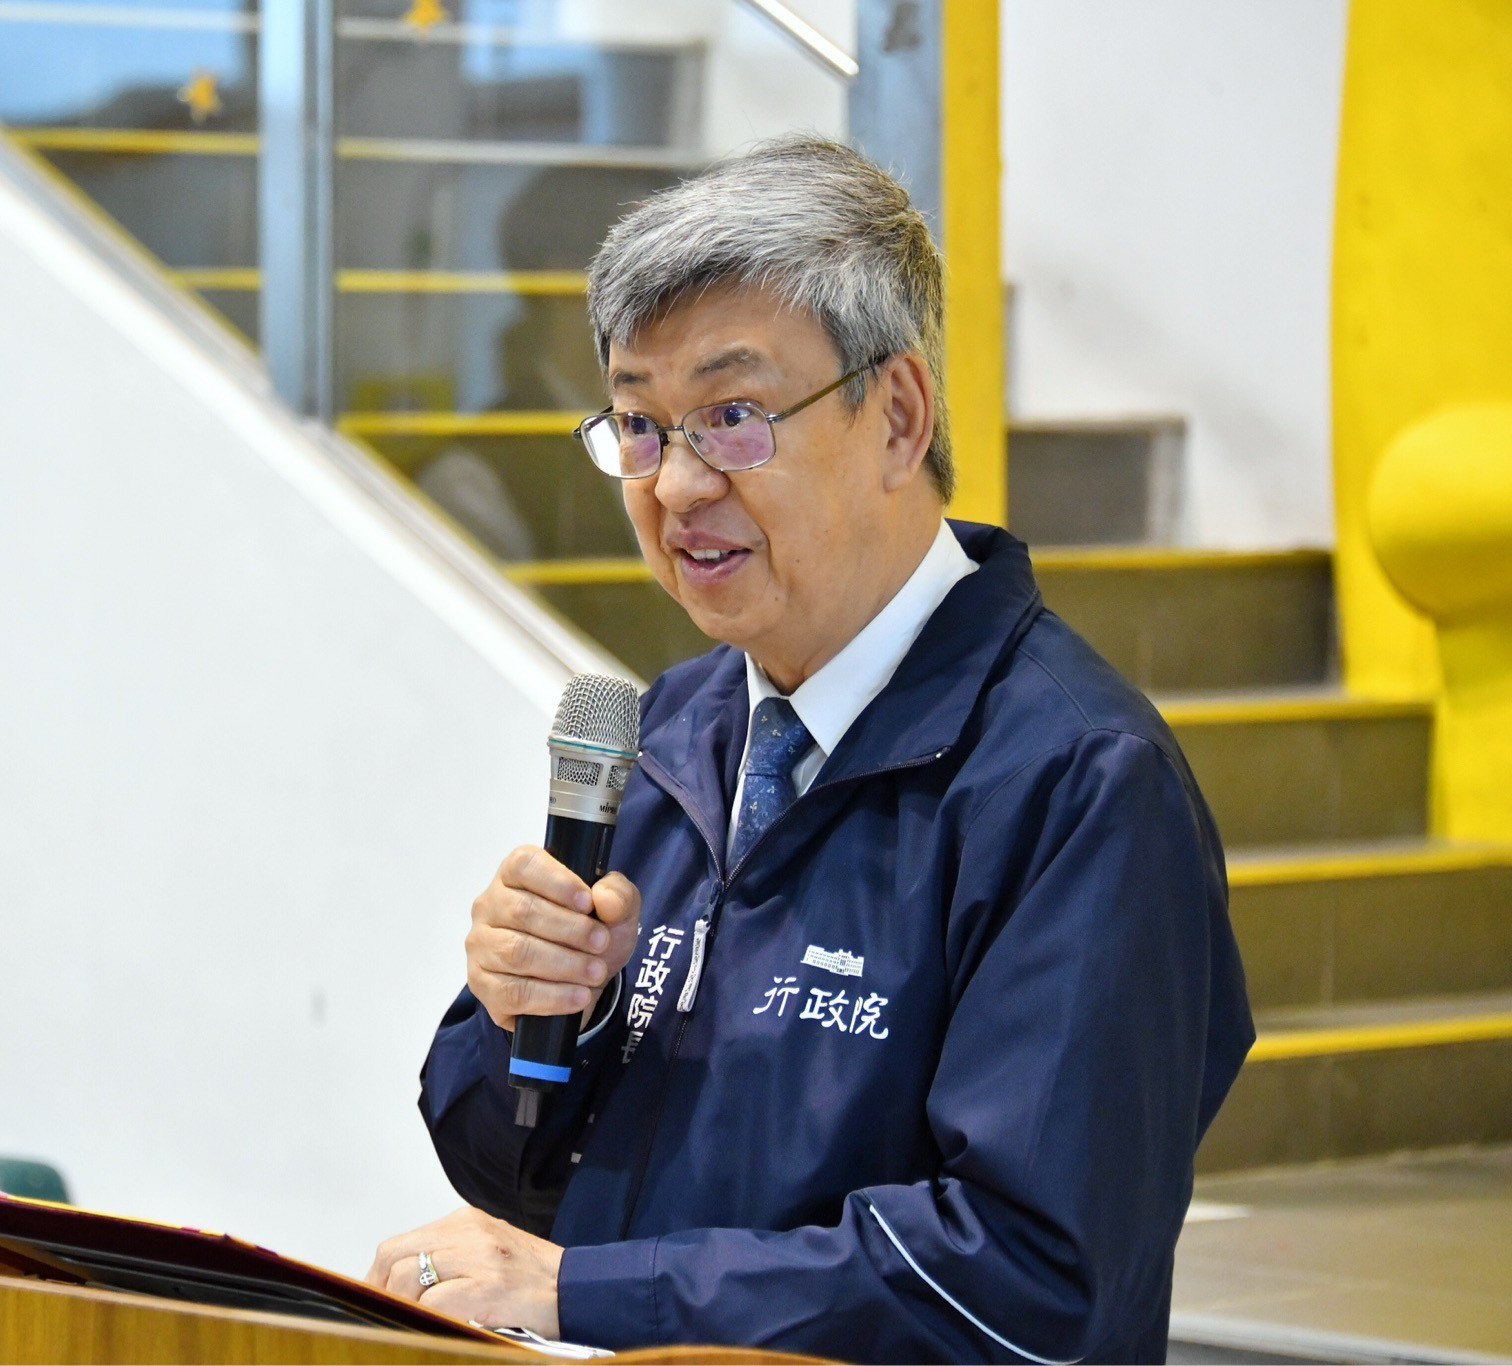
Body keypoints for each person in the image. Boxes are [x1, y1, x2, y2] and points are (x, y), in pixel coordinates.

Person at [365, 135, 1254, 1363]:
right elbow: (510, 1174)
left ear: (896, 418)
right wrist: (535, 1017)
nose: (674, 486)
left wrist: (592, 1292)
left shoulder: (1079, 782)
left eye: (732, 417)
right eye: (639, 423)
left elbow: (1030, 1281)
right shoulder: (669, 735)